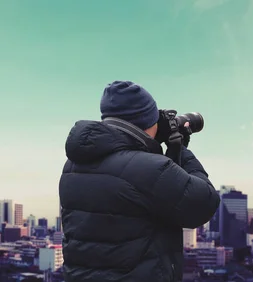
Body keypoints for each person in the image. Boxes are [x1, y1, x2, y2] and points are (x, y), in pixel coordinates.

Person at [59, 81, 221, 282]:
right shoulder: (149, 169)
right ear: (147, 121)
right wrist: (181, 149)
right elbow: (203, 203)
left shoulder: (73, 166)